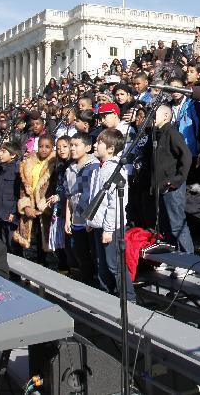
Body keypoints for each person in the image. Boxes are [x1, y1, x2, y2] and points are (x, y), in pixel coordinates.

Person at [87, 129, 136, 302]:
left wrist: (108, 229)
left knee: (114, 265)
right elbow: (95, 197)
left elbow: (116, 203)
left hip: (111, 227)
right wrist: (90, 219)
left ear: (110, 148)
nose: (94, 145)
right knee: (101, 264)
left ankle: (128, 298)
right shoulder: (98, 168)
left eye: (99, 142)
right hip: (98, 224)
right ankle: (107, 297)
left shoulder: (114, 170)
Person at [145, 105, 194, 266]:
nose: (151, 118)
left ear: (166, 116)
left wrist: (177, 180)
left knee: (177, 223)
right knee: (165, 224)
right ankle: (173, 256)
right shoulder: (155, 135)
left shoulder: (172, 133)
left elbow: (186, 157)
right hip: (159, 188)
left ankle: (188, 259)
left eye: (155, 115)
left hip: (171, 187)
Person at [64, 132, 100, 286]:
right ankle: (86, 284)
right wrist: (67, 219)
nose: (72, 148)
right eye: (71, 145)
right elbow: (69, 196)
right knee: (81, 255)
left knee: (95, 255)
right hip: (76, 220)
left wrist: (90, 219)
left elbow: (93, 195)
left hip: (89, 221)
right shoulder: (70, 169)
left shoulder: (94, 167)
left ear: (87, 147)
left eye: (76, 145)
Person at [14, 134, 56, 259]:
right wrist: (26, 206)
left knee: (46, 244)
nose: (43, 149)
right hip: (30, 208)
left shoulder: (54, 164)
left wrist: (43, 206)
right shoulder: (28, 162)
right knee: (31, 244)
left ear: (52, 148)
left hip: (45, 210)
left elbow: (53, 187)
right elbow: (24, 187)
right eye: (41, 146)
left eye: (47, 147)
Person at [0, 140, 22, 253]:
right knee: (3, 243)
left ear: (13, 155)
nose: (0, 154)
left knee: (13, 244)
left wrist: (14, 213)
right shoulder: (0, 169)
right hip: (0, 212)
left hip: (11, 214)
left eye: (4, 151)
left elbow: (18, 194)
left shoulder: (17, 170)